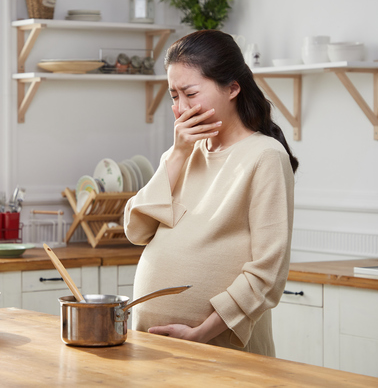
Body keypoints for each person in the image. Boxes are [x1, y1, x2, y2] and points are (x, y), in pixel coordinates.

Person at [123, 30, 297, 356]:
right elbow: (136, 230)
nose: (180, 108)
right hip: (153, 349)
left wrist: (202, 333)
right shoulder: (182, 153)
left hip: (220, 350)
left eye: (190, 93)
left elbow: (268, 272)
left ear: (232, 88)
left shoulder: (266, 156)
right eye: (174, 96)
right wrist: (177, 155)